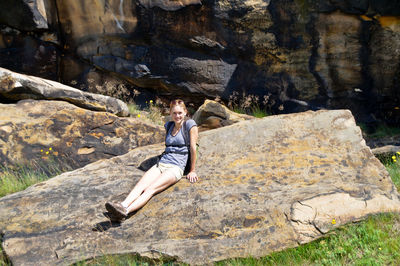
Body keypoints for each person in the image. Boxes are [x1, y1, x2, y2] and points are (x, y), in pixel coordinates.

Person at [105, 99, 199, 221]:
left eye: (180, 113)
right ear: (170, 113)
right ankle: (122, 205)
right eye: (174, 113)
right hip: (162, 163)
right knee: (141, 185)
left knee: (150, 189)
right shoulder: (169, 126)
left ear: (185, 112)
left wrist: (192, 170)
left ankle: (125, 212)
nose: (177, 116)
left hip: (176, 167)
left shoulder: (190, 125)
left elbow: (193, 147)